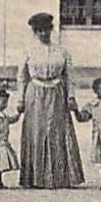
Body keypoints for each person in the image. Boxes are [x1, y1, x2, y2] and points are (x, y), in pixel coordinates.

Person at [17, 12, 84, 189]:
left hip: (57, 94)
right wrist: (20, 100)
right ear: (34, 32)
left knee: (55, 132)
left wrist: (71, 96)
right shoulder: (28, 51)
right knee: (37, 133)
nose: (43, 34)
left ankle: (58, 177)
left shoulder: (62, 51)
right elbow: (22, 77)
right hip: (35, 94)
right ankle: (35, 177)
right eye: (39, 31)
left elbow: (69, 76)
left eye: (46, 30)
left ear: (51, 30)